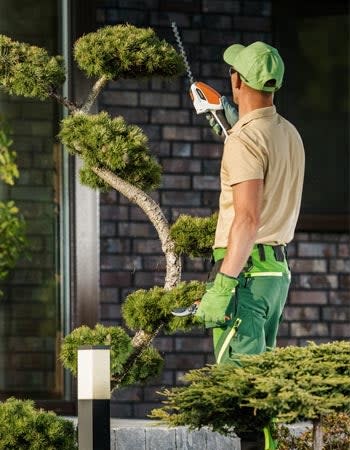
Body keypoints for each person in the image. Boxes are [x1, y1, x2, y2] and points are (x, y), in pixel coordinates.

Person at [174, 41, 305, 367]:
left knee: (240, 389)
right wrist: (232, 126)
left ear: (238, 81)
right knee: (260, 385)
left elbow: (247, 218)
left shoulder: (244, 141)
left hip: (245, 277)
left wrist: (222, 286)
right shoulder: (290, 134)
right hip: (275, 275)